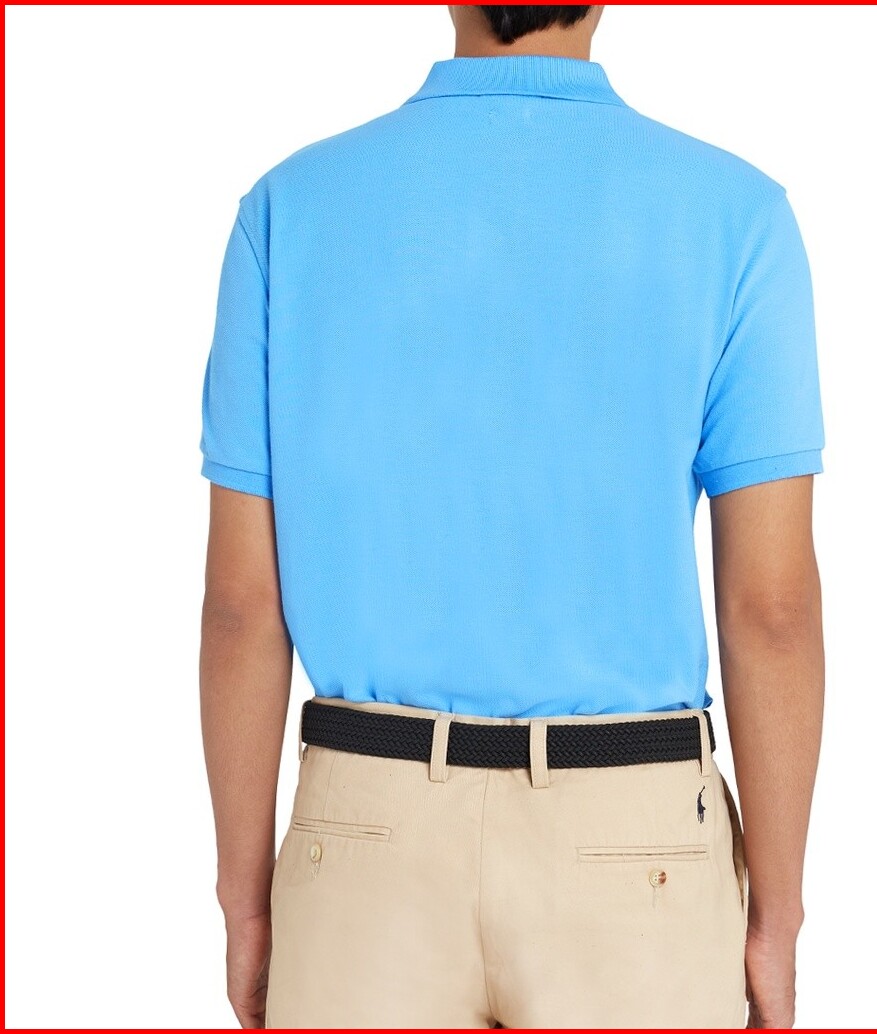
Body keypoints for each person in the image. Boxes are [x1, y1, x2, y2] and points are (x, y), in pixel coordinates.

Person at [198, 5, 825, 1029]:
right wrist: (778, 915)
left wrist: (244, 900)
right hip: (635, 844)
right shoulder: (735, 216)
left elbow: (241, 607)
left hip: (365, 838)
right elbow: (772, 610)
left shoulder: (289, 209)